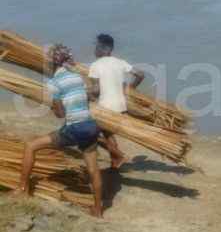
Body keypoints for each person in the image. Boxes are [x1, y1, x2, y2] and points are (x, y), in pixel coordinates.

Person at [16, 44, 103, 217]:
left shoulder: (54, 83)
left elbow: (59, 113)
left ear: (51, 63)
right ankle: (98, 210)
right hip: (91, 126)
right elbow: (85, 99)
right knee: (93, 169)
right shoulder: (77, 77)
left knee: (31, 145)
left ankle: (22, 189)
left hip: (75, 128)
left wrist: (54, 108)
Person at [88, 33, 144, 169]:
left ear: (104, 49)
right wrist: (130, 88)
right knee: (108, 135)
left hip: (106, 108)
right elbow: (140, 74)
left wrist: (86, 93)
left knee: (89, 135)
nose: (94, 49)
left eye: (96, 46)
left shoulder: (95, 65)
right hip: (121, 107)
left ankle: (119, 156)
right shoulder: (120, 62)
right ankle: (115, 162)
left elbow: (96, 91)